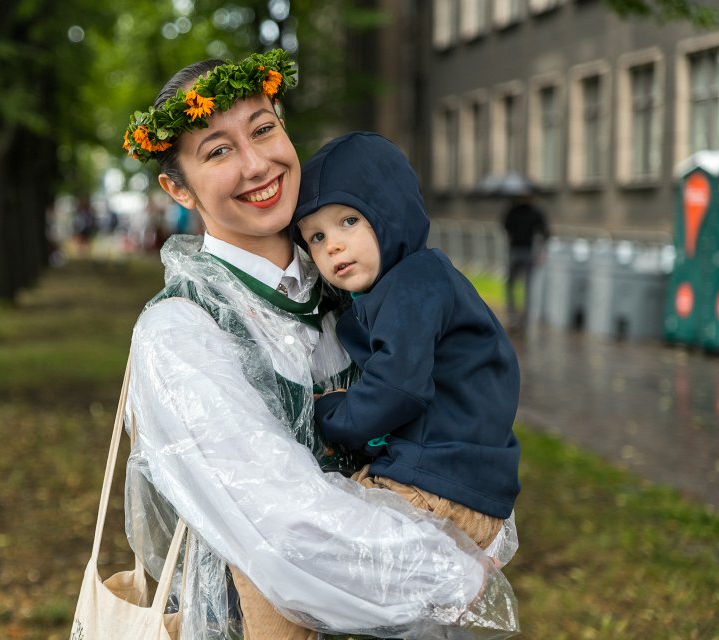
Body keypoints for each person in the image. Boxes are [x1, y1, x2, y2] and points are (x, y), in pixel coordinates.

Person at [119, 50, 518, 640]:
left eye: (263, 129)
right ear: (178, 188)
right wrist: (458, 575)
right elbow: (287, 531)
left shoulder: (355, 278)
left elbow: (468, 414)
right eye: (219, 150)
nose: (257, 164)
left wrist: (483, 523)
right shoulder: (181, 334)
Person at [291, 131, 521, 556]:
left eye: (348, 221)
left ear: (390, 212)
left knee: (300, 548)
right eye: (316, 237)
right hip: (448, 480)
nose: (333, 244)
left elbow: (398, 389)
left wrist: (330, 413)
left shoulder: (415, 282)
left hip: (436, 487)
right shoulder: (404, 286)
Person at [501, 189, 550, 330]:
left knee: (520, 286)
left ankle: (519, 317)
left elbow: (505, 226)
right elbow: (545, 232)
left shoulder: (515, 210)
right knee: (518, 285)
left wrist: (540, 250)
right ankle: (517, 317)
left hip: (522, 251)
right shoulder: (530, 211)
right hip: (520, 252)